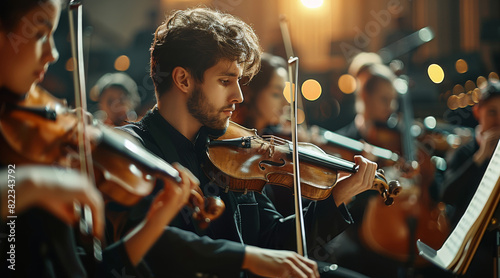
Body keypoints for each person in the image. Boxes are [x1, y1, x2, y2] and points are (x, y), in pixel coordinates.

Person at [113, 7, 378, 278]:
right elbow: (150, 248)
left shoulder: (234, 152)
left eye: (238, 81)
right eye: (225, 80)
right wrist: (245, 258)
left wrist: (338, 196)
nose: (238, 95)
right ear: (183, 79)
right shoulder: (132, 151)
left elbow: (275, 242)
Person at [0, 0, 197, 277]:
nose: (53, 53)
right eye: (39, 34)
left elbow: (87, 270)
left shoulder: (27, 137)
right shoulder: (19, 171)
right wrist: (30, 183)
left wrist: (156, 221)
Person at [436, 80, 500, 278]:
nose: (499, 120)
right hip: (470, 250)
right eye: (492, 112)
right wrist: (480, 158)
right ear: (477, 112)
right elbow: (447, 194)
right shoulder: (465, 152)